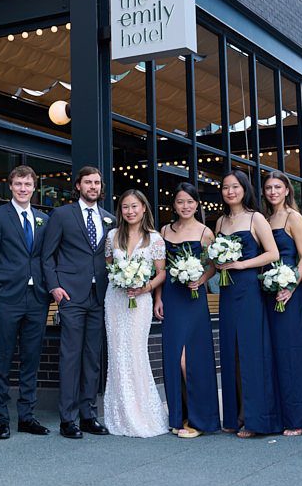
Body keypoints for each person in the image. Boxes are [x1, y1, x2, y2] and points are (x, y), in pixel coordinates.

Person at [40, 166, 114, 439]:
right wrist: (55, 287)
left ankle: (88, 415)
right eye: (88, 182)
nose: (93, 187)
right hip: (70, 295)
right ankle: (67, 419)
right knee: (70, 357)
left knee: (92, 358)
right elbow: (47, 256)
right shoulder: (61, 215)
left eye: (97, 183)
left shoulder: (109, 219)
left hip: (99, 296)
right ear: (78, 186)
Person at [0, 165, 52, 439]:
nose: (23, 188)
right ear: (10, 186)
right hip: (6, 298)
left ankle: (27, 416)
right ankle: (1, 418)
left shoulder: (43, 219)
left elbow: (45, 256)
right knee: (2, 358)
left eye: (28, 184)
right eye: (18, 184)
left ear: (34, 188)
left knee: (31, 359)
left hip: (37, 299)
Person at [214, 169, 279, 438]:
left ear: (244, 189)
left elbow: (272, 253)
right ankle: (234, 414)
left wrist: (241, 263)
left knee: (250, 352)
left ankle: (255, 419)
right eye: (226, 187)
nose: (230, 191)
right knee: (231, 352)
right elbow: (217, 261)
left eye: (235, 187)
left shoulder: (256, 218)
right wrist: (220, 264)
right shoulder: (220, 222)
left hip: (249, 290)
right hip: (227, 291)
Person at [155, 183, 219, 438]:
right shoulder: (164, 231)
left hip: (194, 299)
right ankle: (178, 416)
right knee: (173, 358)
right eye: (180, 202)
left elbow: (214, 265)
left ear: (196, 204)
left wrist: (201, 279)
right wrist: (158, 298)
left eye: (190, 202)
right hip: (171, 297)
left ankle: (198, 419)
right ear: (174, 204)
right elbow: (159, 269)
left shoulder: (205, 232)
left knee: (191, 358)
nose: (185, 206)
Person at [103, 189, 168, 438]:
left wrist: (146, 288)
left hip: (140, 301)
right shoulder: (112, 236)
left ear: (143, 208)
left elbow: (161, 272)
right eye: (125, 207)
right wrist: (120, 280)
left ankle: (142, 413)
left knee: (135, 352)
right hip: (116, 300)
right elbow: (109, 266)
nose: (130, 211)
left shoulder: (155, 238)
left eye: (134, 206)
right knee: (117, 353)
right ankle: (118, 413)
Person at [261, 172, 302, 436]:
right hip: (267, 291)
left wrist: (290, 287)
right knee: (273, 354)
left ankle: (298, 416)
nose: (273, 191)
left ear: (287, 190)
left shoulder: (293, 217)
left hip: (290, 293)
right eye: (268, 187)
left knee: (292, 352)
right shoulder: (264, 219)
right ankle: (277, 414)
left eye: (278, 187)